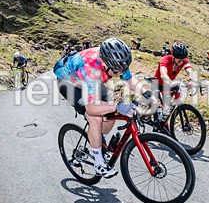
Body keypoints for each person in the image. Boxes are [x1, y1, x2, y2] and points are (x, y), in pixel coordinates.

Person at [53, 38, 150, 178]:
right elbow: (92, 108)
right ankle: (98, 162)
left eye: (122, 70)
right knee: (95, 118)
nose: (119, 74)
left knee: (111, 112)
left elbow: (128, 79)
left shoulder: (117, 61)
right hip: (69, 84)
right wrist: (118, 106)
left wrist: (145, 92)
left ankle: (100, 142)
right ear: (105, 64)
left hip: (91, 83)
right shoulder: (91, 68)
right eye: (116, 71)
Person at [153, 41, 194, 122]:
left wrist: (191, 80)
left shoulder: (183, 60)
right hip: (158, 84)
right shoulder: (165, 59)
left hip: (168, 85)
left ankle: (165, 118)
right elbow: (163, 74)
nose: (181, 62)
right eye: (179, 60)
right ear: (173, 56)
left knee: (178, 96)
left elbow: (190, 71)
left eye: (183, 60)